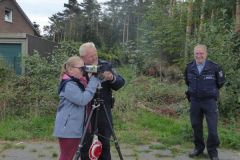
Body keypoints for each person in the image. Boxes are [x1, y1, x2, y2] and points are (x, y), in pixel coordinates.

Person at [79, 42, 125, 160]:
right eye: (91, 56)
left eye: (95, 54)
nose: (95, 57)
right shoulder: (78, 68)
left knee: (105, 144)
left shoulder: (106, 65)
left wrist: (111, 77)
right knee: (85, 145)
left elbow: (120, 83)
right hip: (85, 112)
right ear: (82, 58)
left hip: (104, 111)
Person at [53, 56, 100, 160]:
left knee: (70, 156)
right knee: (66, 157)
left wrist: (96, 76)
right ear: (70, 69)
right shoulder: (69, 85)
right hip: (69, 129)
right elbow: (82, 100)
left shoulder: (76, 82)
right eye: (81, 68)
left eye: (84, 68)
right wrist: (94, 80)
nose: (83, 71)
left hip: (72, 128)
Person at [184, 44, 225, 160]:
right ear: (194, 54)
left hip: (209, 101)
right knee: (196, 125)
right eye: (196, 53)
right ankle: (199, 148)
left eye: (201, 53)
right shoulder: (189, 67)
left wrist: (209, 91)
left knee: (212, 128)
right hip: (195, 101)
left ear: (206, 54)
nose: (199, 55)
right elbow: (187, 81)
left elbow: (220, 82)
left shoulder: (215, 67)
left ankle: (212, 151)